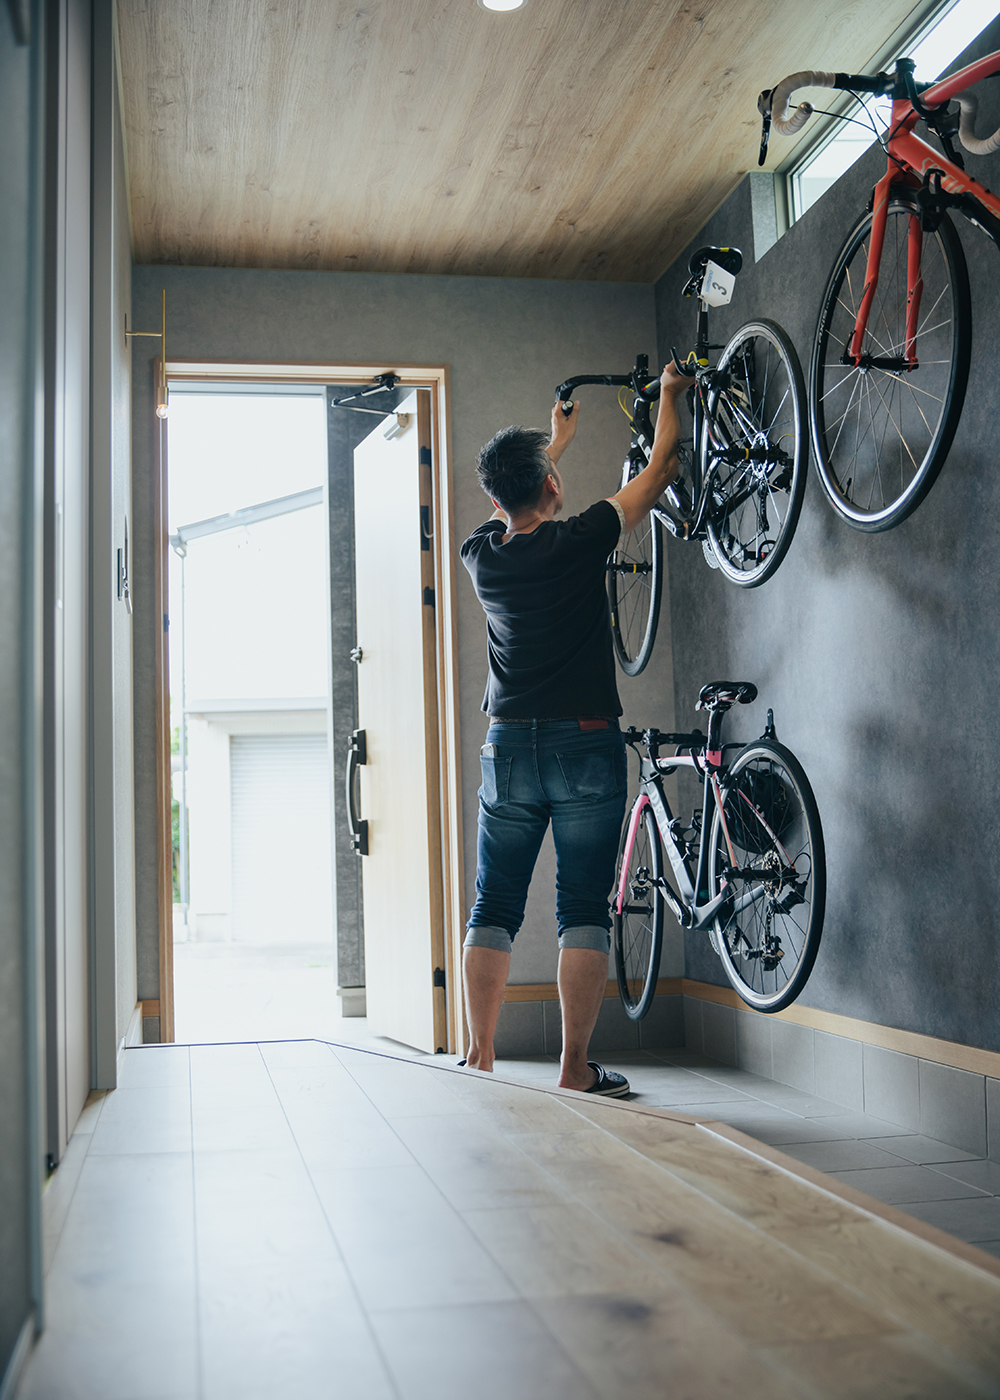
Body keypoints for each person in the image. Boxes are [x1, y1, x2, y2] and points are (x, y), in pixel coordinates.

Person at [459, 361, 688, 1094]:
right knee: (582, 908)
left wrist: (544, 454)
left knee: (493, 905)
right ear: (552, 489)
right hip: (584, 742)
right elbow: (660, 471)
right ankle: (573, 1070)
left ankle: (481, 1057)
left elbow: (509, 506)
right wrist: (675, 397)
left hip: (508, 749)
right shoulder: (585, 536)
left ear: (495, 496)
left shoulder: (479, 558)